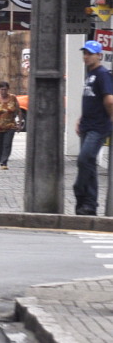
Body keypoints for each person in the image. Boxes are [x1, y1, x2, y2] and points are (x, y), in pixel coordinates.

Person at [75, 41, 113, 216]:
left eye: (90, 53)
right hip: (87, 125)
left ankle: (82, 194)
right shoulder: (90, 74)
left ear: (99, 55)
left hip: (98, 127)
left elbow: (109, 100)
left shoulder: (102, 74)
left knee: (85, 159)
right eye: (85, 53)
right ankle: (88, 204)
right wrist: (80, 119)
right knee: (88, 164)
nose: (86, 56)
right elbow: (91, 100)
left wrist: (111, 118)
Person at [0, 81, 20, 170]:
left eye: (5, 89)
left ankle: (4, 161)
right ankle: (1, 160)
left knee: (7, 143)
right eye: (2, 89)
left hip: (10, 125)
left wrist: (19, 123)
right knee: (0, 144)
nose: (3, 91)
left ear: (8, 89)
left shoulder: (13, 98)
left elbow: (18, 111)